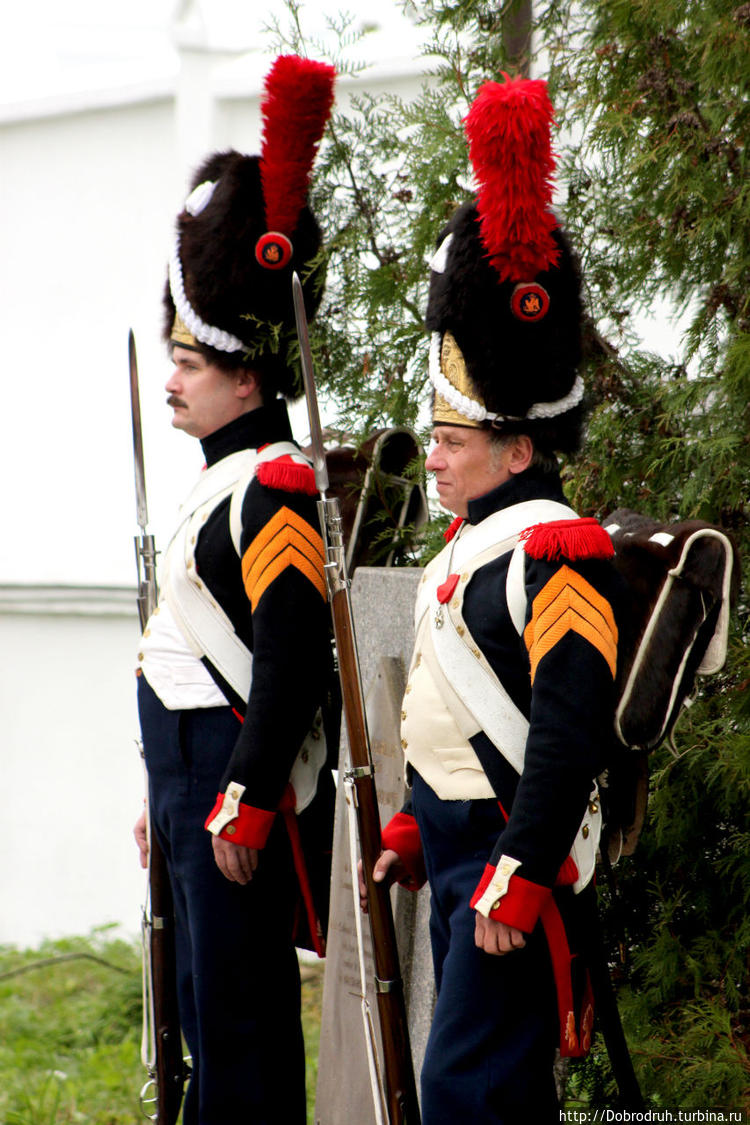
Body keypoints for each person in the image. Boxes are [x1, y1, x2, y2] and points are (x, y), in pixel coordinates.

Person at [360, 75, 626, 1122]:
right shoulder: (477, 548)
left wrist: (517, 869)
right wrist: (424, 827)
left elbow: (567, 733)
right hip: (465, 843)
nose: (431, 460)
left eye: (451, 441)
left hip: (515, 851)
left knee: (471, 1095)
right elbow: (469, 720)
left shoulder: (559, 551)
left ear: (519, 447)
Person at [132, 55, 337, 1125]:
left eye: (190, 362)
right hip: (189, 785)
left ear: (247, 376)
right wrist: (163, 802)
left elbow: (292, 656)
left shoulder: (276, 489)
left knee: (245, 1030)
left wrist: (247, 795)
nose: (170, 379)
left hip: (230, 784)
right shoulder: (224, 485)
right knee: (203, 1021)